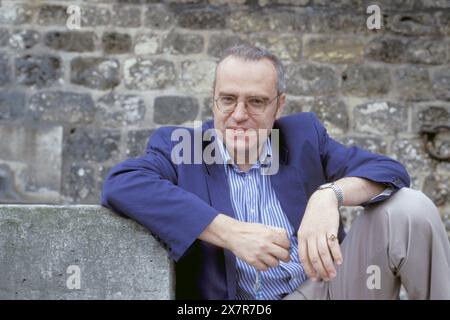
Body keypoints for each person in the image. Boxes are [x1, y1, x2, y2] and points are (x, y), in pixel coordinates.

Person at [101, 45, 450, 300]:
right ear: (213, 101)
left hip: (325, 288)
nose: (239, 114)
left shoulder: (302, 137)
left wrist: (329, 196)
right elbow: (124, 182)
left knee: (410, 207)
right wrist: (229, 231)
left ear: (278, 105)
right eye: (228, 99)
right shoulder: (186, 148)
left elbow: (389, 170)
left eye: (255, 101)